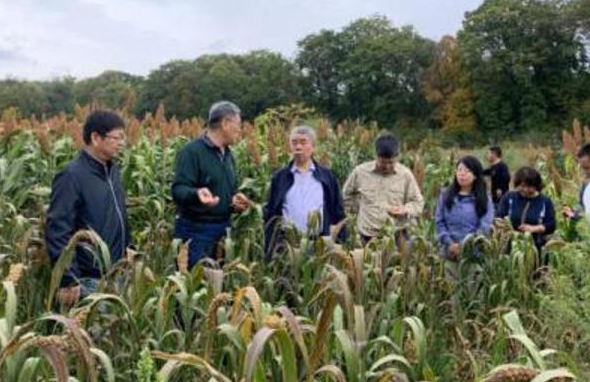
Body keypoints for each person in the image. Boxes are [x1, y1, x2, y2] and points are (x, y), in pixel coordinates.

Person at [45, 110, 131, 306]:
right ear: (95, 138)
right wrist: (68, 278)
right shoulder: (71, 176)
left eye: (123, 138)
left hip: (117, 274)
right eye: (117, 138)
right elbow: (58, 229)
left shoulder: (113, 171)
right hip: (88, 279)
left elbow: (119, 218)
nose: (121, 143)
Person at [172, 101, 253, 268]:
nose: (240, 130)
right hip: (196, 232)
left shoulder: (228, 155)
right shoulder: (192, 152)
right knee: (197, 281)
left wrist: (234, 201)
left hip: (223, 231)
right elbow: (178, 190)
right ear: (225, 123)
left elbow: (227, 190)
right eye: (238, 124)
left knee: (219, 281)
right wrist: (197, 194)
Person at [263, 125, 347, 257]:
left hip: (319, 243)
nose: (298, 147)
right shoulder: (280, 178)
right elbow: (271, 212)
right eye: (294, 143)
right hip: (288, 244)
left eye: (303, 142)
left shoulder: (327, 178)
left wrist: (339, 244)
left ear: (313, 146)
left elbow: (338, 213)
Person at [343, 133, 424, 244]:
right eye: (382, 162)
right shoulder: (360, 172)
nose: (386, 166)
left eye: (391, 162)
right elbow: (346, 195)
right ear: (376, 156)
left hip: (396, 236)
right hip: (367, 235)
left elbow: (418, 202)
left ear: (397, 157)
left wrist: (404, 210)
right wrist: (360, 210)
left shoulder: (405, 175)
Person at [435, 155, 494, 261]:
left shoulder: (484, 198)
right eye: (459, 170)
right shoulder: (445, 195)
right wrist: (450, 243)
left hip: (473, 256)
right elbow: (439, 222)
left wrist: (465, 246)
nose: (462, 174)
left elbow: (484, 225)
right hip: (448, 253)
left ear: (475, 175)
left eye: (467, 171)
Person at [496, 166, 556, 252]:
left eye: (529, 186)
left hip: (535, 249)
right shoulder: (509, 198)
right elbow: (499, 217)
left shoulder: (545, 202)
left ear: (536, 185)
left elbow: (551, 224)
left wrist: (534, 228)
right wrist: (506, 229)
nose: (526, 189)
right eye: (522, 186)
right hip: (511, 248)